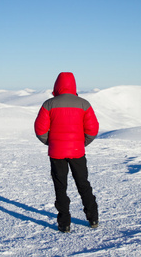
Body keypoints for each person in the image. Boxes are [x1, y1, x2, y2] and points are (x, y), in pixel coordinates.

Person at [34, 72, 99, 233]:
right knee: (83, 184)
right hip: (77, 151)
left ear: (57, 85)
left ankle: (64, 223)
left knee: (60, 187)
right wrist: (82, 143)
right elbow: (93, 129)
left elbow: (40, 129)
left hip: (56, 153)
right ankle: (93, 218)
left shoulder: (49, 104)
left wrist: (51, 143)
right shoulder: (84, 104)